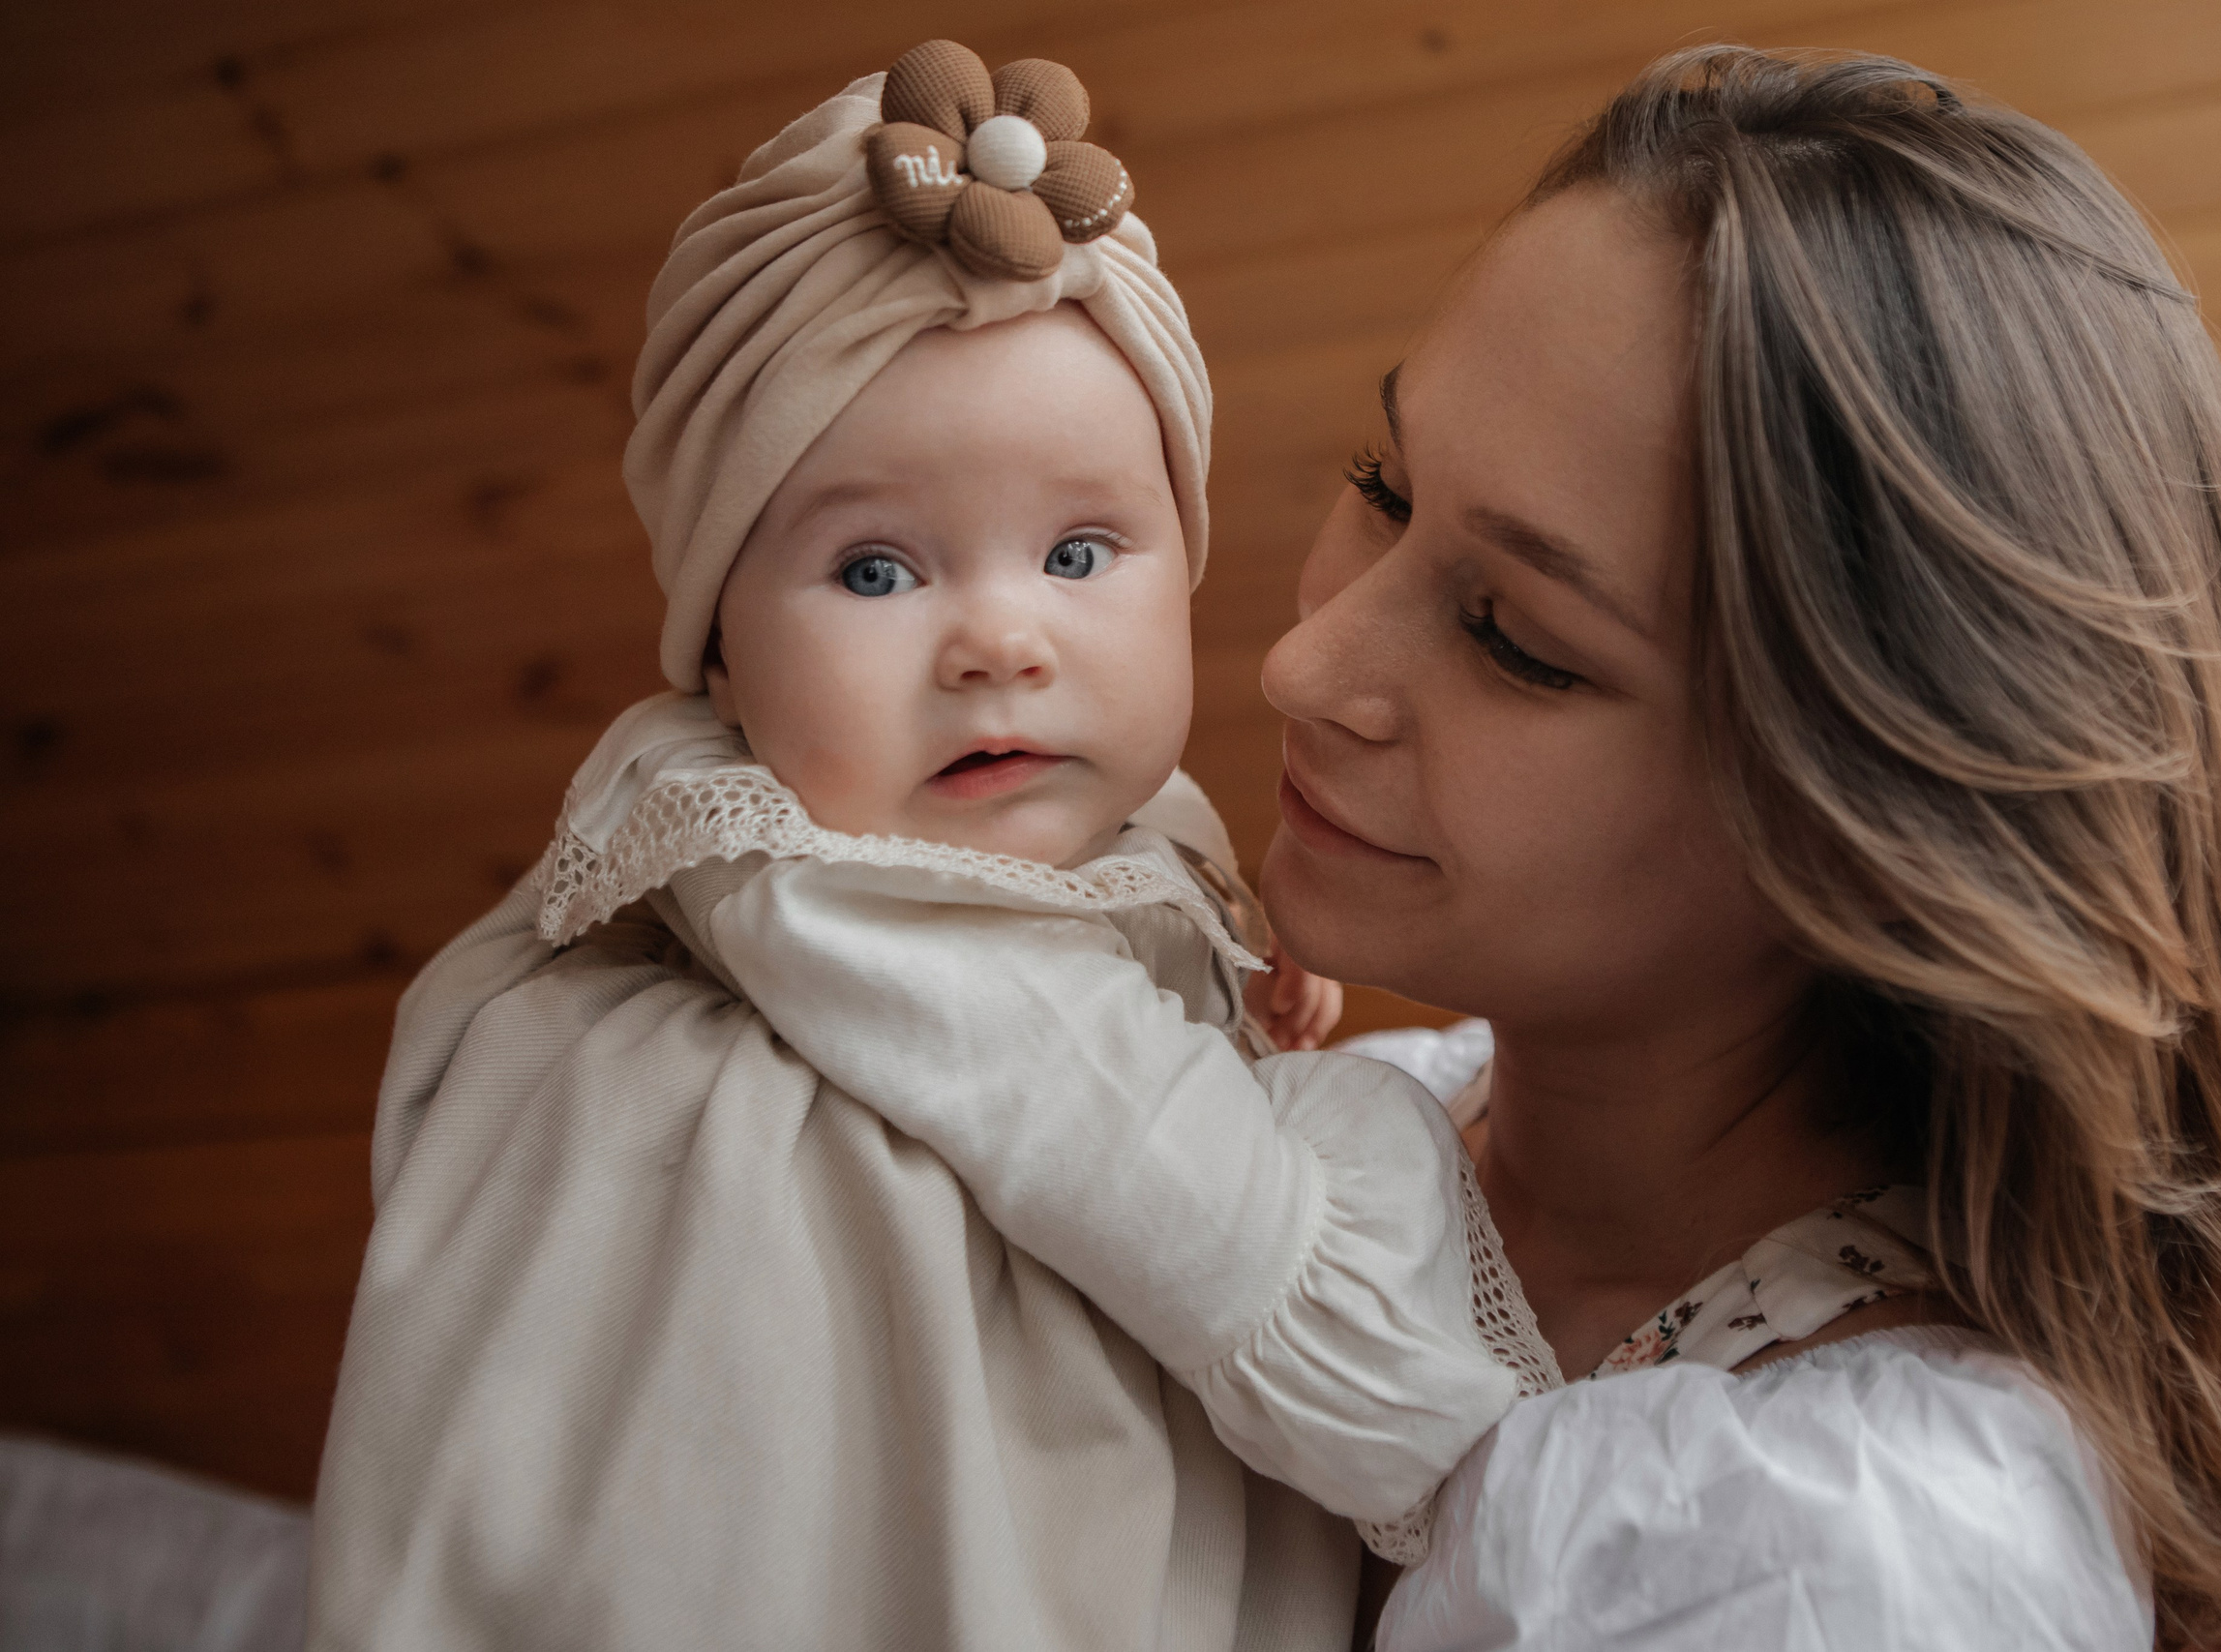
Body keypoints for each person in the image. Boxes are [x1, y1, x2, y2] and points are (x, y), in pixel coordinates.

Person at [305, 42, 1523, 1651]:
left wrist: (1236, 983)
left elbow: (1134, 914)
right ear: (720, 652)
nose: (999, 641)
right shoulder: (793, 871)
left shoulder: (1109, 815)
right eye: (877, 573)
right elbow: (1189, 1196)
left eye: (1081, 550)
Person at [1267, 45, 2221, 1650]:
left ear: (1867, 813)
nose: (1306, 667)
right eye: (1384, 484)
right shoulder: (1353, 1124)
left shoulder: (1840, 1561)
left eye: (1515, 637)